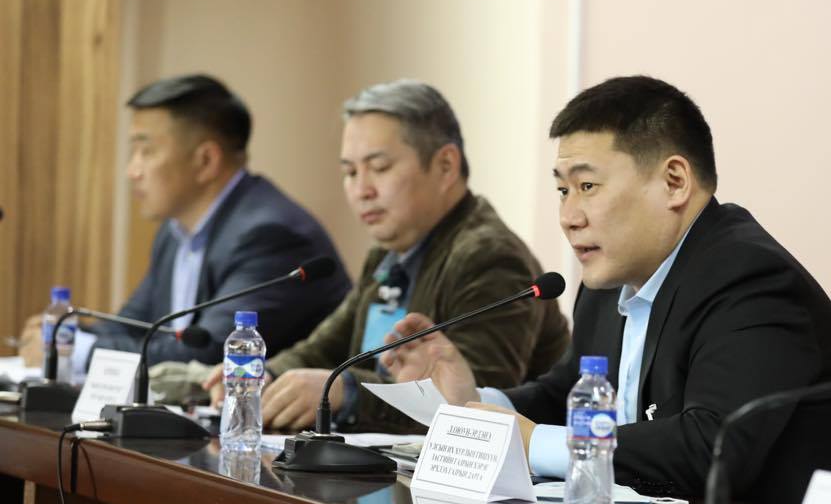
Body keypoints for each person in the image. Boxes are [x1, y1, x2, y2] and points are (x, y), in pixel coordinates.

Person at [384, 75, 831, 504]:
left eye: (588, 186)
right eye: (562, 191)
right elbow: (568, 395)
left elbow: (712, 445)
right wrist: (473, 404)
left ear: (674, 182)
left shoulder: (747, 276)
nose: (569, 217)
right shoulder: (607, 286)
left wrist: (534, 443)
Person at [206, 79, 569, 433]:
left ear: (445, 166)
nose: (361, 190)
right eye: (350, 172)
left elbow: (474, 402)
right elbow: (324, 349)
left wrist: (347, 393)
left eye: (379, 168)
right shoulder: (389, 252)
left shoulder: (490, 257)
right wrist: (266, 374)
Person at [19, 74, 351, 374]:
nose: (132, 171)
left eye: (146, 152)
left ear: (205, 160)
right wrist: (66, 333)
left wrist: (78, 351)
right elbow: (133, 325)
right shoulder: (174, 231)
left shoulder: (270, 235)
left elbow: (210, 352)